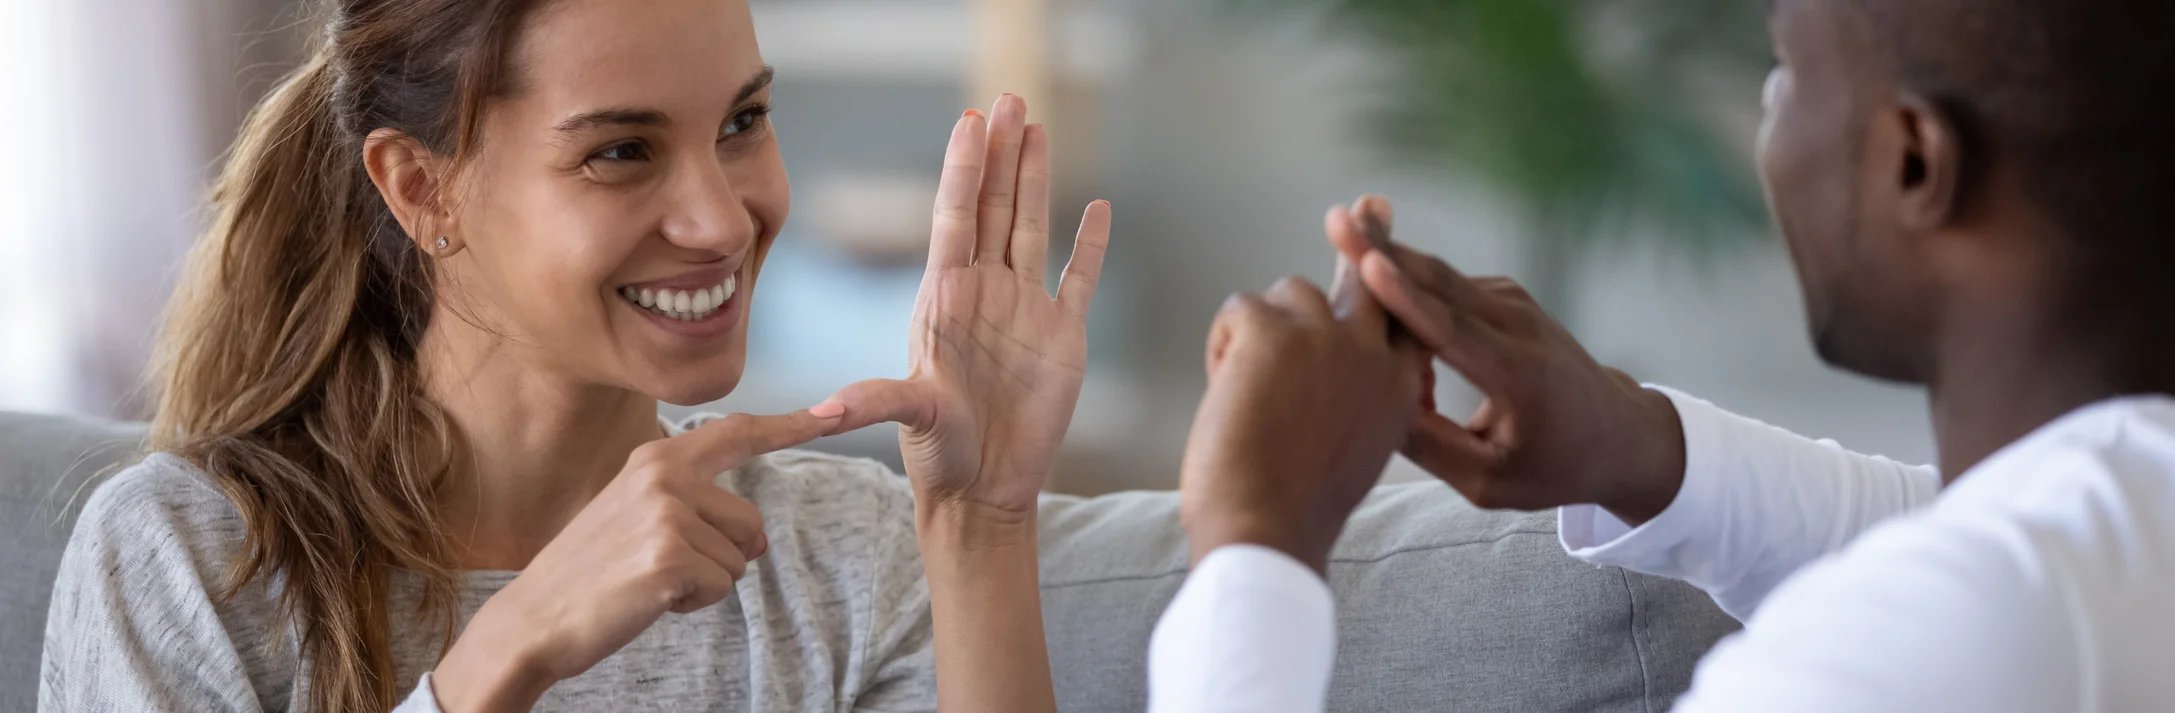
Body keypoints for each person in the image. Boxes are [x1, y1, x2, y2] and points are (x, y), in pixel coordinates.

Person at [37, 0, 1110, 710]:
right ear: (421, 186)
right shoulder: (190, 554)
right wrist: (514, 645)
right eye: (621, 151)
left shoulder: (840, 552)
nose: (724, 220)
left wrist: (981, 528)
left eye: (743, 120)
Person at [1151, 0, 2175, 710]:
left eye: (1785, 72)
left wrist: (1258, 536)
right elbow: (1959, 526)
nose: (1771, 111)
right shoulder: (2120, 518)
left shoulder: (1933, 640)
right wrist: (1640, 445)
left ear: (1915, 160)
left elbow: (1964, 584)